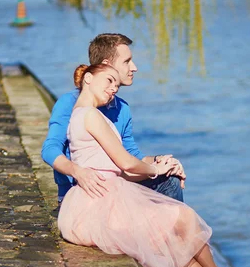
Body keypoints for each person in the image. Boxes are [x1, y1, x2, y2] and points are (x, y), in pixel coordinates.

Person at [57, 62, 250, 267]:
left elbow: (120, 169)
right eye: (108, 81)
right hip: (95, 203)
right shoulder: (89, 115)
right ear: (89, 78)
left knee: (172, 229)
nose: (113, 89)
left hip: (106, 193)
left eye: (116, 85)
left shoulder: (89, 115)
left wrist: (158, 163)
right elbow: (126, 162)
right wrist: (156, 169)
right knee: (177, 221)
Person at [41, 33, 186, 205]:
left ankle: (169, 230)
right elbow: (50, 149)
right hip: (83, 189)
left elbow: (131, 154)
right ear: (106, 65)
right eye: (127, 61)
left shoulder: (121, 108)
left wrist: (163, 162)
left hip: (116, 183)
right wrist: (78, 172)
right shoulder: (70, 102)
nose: (134, 67)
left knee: (170, 179)